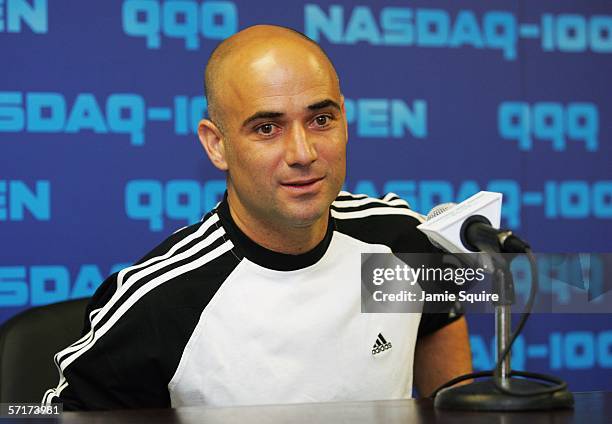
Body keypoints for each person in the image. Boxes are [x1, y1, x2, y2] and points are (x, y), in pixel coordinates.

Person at [43, 24, 472, 410]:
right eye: (267, 128)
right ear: (217, 145)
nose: (303, 154)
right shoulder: (159, 304)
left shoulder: (398, 239)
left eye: (321, 119)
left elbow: (442, 317)